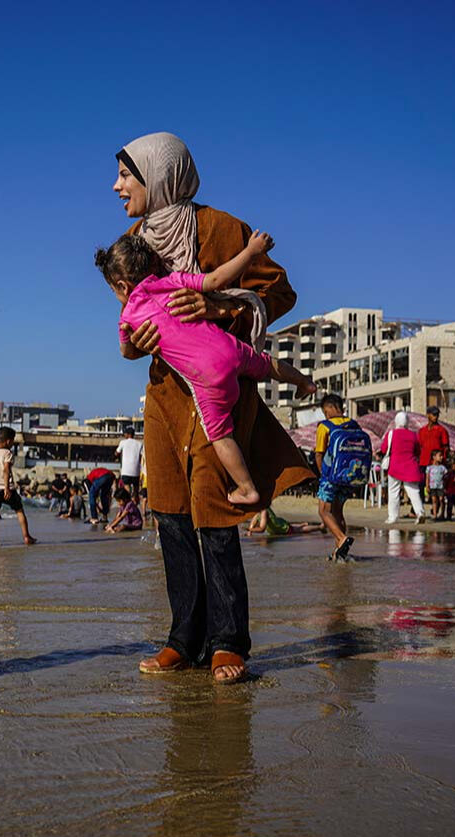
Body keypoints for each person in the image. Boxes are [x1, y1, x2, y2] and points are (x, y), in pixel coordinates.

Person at [113, 132, 312, 686]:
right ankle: (184, 638)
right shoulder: (131, 241)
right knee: (171, 511)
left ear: (159, 175)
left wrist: (218, 302)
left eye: (126, 174)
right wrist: (137, 343)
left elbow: (280, 291)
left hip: (217, 389)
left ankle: (228, 643)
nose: (117, 186)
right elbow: (131, 322)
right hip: (164, 396)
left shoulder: (223, 228)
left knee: (214, 508)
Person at [97, 233, 316, 506]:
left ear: (122, 285)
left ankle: (247, 488)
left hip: (207, 377)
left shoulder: (127, 316)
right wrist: (251, 251)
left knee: (220, 435)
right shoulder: (171, 281)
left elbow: (125, 351)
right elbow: (216, 280)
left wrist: (131, 340)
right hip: (228, 348)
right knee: (263, 362)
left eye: (114, 291)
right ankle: (305, 382)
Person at [314, 394, 367, 561]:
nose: (325, 414)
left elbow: (319, 454)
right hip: (350, 475)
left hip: (331, 476)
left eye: (325, 411)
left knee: (323, 511)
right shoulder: (354, 424)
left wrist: (323, 475)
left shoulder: (325, 426)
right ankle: (339, 551)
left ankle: (341, 539)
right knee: (338, 512)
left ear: (329, 408)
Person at [0, 427, 36, 545]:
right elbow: (6, 470)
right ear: (7, 441)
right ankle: (26, 537)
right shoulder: (7, 453)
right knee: (19, 511)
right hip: (7, 488)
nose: (12, 444)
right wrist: (6, 488)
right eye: (12, 441)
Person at [378, 411, 426, 524]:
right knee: (413, 491)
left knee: (393, 492)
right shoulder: (414, 435)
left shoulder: (391, 434)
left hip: (395, 467)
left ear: (396, 421)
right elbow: (418, 451)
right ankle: (420, 512)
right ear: (407, 422)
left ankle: (393, 517)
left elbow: (384, 449)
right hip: (410, 467)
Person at [418, 406, 451, 481]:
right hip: (424, 462)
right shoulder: (422, 431)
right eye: (434, 414)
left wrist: (442, 460)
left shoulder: (442, 430)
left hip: (437, 464)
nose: (436, 417)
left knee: (436, 488)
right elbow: (420, 446)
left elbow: (446, 447)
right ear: (428, 415)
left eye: (437, 415)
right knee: (423, 487)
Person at [244, 507, 322, 537]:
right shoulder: (258, 512)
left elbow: (262, 529)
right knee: (294, 527)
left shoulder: (264, 512)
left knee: (299, 530)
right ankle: (303, 524)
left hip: (283, 529)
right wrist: (250, 531)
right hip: (279, 525)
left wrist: (249, 529)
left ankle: (319, 527)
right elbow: (253, 523)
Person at [115, 426, 145, 500]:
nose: (124, 435)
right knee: (136, 491)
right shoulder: (139, 443)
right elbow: (141, 457)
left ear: (128, 434)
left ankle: (128, 504)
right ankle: (135, 503)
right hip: (136, 471)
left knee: (127, 490)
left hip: (126, 471)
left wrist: (117, 453)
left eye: (125, 433)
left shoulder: (123, 442)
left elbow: (116, 453)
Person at [425, 449, 447, 519]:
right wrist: (427, 485)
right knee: (434, 500)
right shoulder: (429, 468)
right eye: (439, 456)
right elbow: (427, 477)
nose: (441, 457)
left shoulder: (442, 468)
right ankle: (435, 515)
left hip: (440, 486)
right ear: (434, 457)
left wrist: (445, 485)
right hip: (432, 486)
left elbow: (445, 477)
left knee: (441, 499)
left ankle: (442, 514)